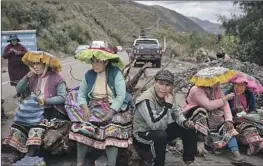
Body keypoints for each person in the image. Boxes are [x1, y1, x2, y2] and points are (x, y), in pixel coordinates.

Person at [68, 48, 133, 166]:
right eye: (93, 61)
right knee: (83, 129)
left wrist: (111, 112)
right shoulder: (89, 75)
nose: (94, 64)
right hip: (95, 106)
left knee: (112, 131)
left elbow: (121, 96)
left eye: (98, 61)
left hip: (116, 108)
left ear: (106, 62)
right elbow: (81, 94)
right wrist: (85, 108)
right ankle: (80, 162)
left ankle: (111, 163)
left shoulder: (115, 73)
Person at [3, 51, 68, 161]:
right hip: (33, 111)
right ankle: (18, 151)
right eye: (34, 64)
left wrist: (45, 100)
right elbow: (19, 90)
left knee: (36, 128)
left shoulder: (57, 78)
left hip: (50, 111)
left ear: (45, 64)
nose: (35, 66)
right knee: (18, 127)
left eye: (38, 64)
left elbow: (62, 97)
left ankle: (31, 155)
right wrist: (26, 78)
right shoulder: (32, 77)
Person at [132, 70, 197, 166]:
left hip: (160, 131)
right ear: (155, 83)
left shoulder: (169, 95)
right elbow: (155, 126)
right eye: (161, 84)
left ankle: (189, 160)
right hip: (142, 135)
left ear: (172, 87)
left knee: (188, 128)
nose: (163, 88)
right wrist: (167, 106)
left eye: (167, 85)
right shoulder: (146, 99)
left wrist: (185, 122)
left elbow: (177, 113)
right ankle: (158, 163)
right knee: (160, 135)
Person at [183, 83, 247, 164]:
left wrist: (228, 119)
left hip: (213, 119)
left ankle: (237, 154)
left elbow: (225, 106)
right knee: (201, 111)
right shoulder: (196, 89)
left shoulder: (216, 89)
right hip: (195, 118)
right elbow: (208, 105)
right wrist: (224, 99)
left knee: (228, 127)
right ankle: (200, 142)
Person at [225, 82, 263, 155]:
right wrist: (234, 110)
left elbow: (253, 109)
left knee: (256, 125)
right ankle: (255, 144)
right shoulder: (228, 94)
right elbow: (225, 109)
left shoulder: (249, 95)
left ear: (246, 87)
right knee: (248, 127)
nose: (240, 87)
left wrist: (250, 113)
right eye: (238, 85)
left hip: (247, 117)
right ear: (234, 84)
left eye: (243, 85)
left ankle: (256, 143)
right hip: (233, 118)